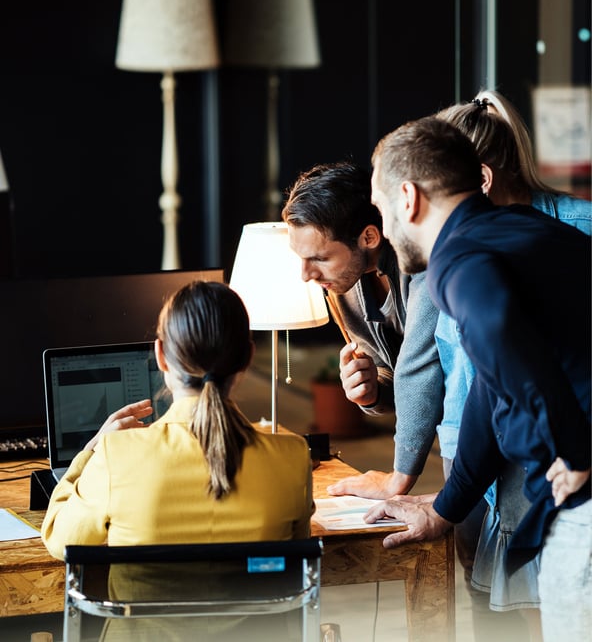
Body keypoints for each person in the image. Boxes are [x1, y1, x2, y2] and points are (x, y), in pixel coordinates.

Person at [365, 115, 591, 642]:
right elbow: (492, 386)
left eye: (379, 206)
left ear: (408, 197)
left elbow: (498, 327)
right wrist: (448, 507)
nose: (381, 224)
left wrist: (577, 451)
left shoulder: (457, 259)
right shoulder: (523, 234)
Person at [432, 89, 592, 637]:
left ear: (479, 181)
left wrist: (576, 449)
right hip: (488, 449)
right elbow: (474, 377)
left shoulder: (563, 232)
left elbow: (515, 362)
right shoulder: (466, 250)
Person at [42, 280, 314, 560]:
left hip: (147, 607)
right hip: (258, 606)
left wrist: (90, 452)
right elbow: (293, 556)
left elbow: (60, 542)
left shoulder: (116, 455)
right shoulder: (293, 457)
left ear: (160, 355)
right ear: (248, 358)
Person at [281, 161, 444, 497]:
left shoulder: (423, 261)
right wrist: (371, 392)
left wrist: (397, 479)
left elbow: (422, 370)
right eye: (301, 258)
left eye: (320, 258)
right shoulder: (341, 283)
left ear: (369, 236)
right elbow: (391, 374)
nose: (306, 275)